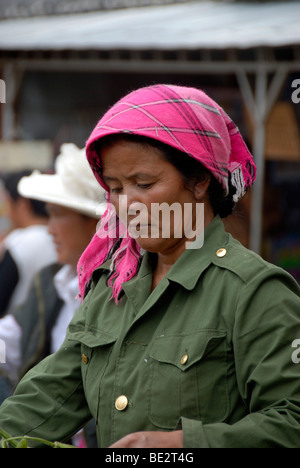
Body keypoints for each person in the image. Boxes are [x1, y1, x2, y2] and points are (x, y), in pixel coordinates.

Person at [0, 84, 299, 448]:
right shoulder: (112, 286)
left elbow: (291, 421)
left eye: (144, 183)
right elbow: (49, 396)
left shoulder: (254, 291)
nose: (128, 205)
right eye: (115, 188)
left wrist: (181, 444)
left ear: (200, 180)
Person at [0, 143, 106, 399]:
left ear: (94, 222)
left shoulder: (113, 289)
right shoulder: (52, 280)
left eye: (57, 215)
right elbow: (12, 338)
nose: (50, 229)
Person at [0, 170, 57, 317]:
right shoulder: (62, 236)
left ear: (23, 205)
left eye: (8, 203)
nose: (7, 212)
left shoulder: (19, 242)